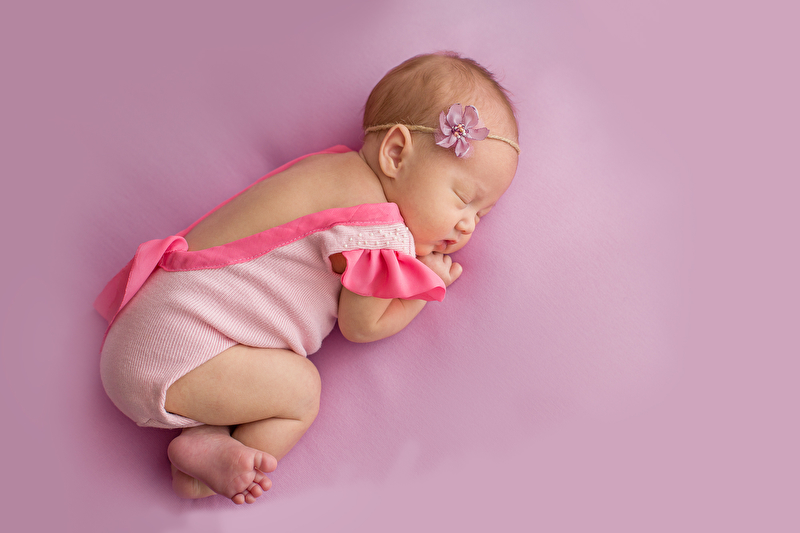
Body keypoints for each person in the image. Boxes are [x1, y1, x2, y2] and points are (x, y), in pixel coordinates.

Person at [95, 52, 520, 505]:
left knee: (254, 370)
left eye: (482, 214)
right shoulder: (378, 228)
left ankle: (205, 441)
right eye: (462, 197)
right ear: (396, 153)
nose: (468, 225)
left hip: (154, 328)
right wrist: (424, 287)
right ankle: (205, 470)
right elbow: (363, 325)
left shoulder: (328, 169)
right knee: (302, 391)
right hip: (173, 353)